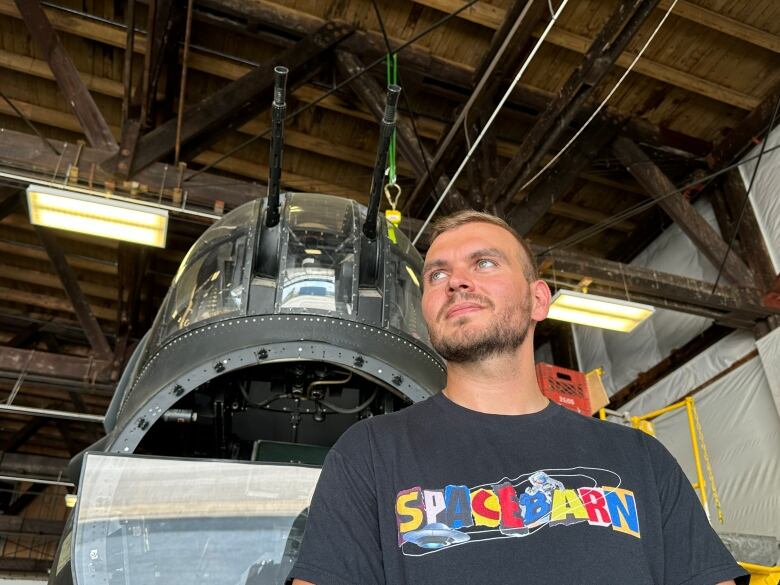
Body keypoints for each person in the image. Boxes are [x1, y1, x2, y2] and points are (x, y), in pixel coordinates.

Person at [287, 211, 747, 585]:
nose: (456, 281)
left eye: (484, 263)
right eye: (437, 274)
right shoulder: (368, 452)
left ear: (538, 301)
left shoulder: (640, 458)